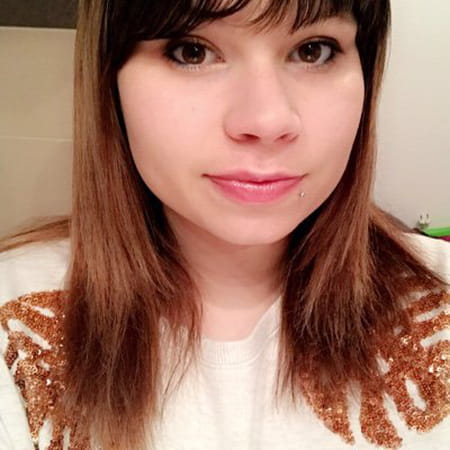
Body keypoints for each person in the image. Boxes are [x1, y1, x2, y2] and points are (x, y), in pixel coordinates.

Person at [0, 0, 448, 449]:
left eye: (313, 50)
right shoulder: (14, 329)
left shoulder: (439, 302)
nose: (267, 121)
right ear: (110, 80)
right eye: (192, 51)